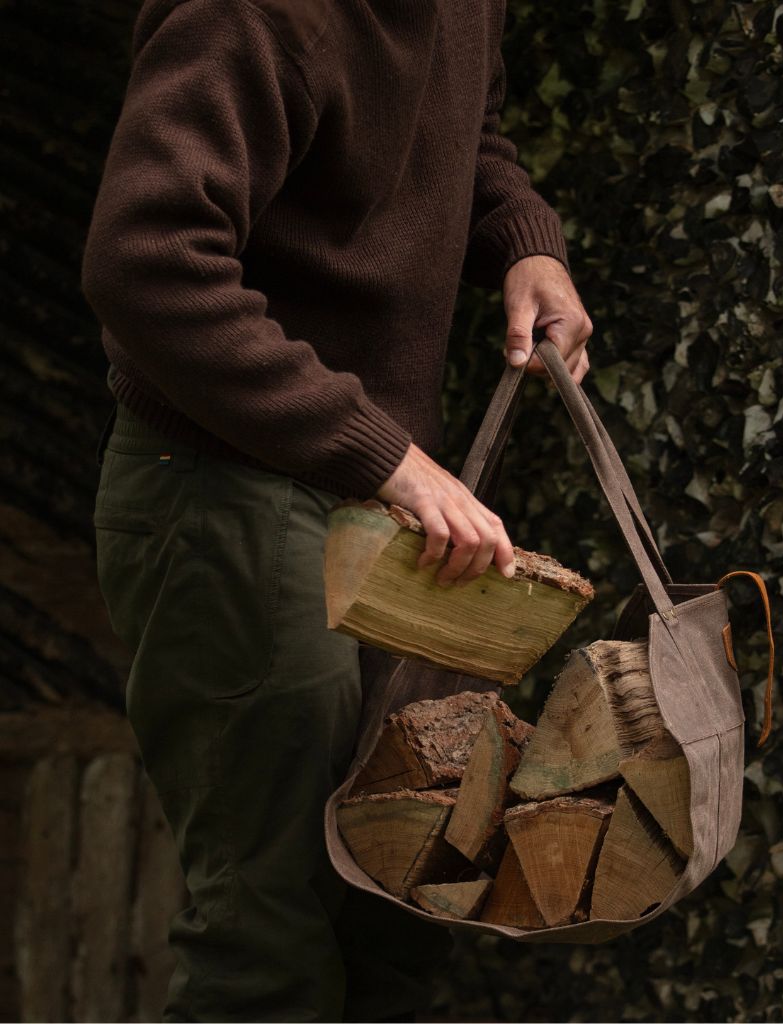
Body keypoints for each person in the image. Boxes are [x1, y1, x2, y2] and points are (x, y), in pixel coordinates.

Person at [81, 0, 592, 1019]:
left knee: (396, 912)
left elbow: (465, 128)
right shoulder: (250, 15)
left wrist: (523, 240)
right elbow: (145, 259)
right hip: (228, 490)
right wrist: (384, 455)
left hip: (375, 504)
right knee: (270, 943)